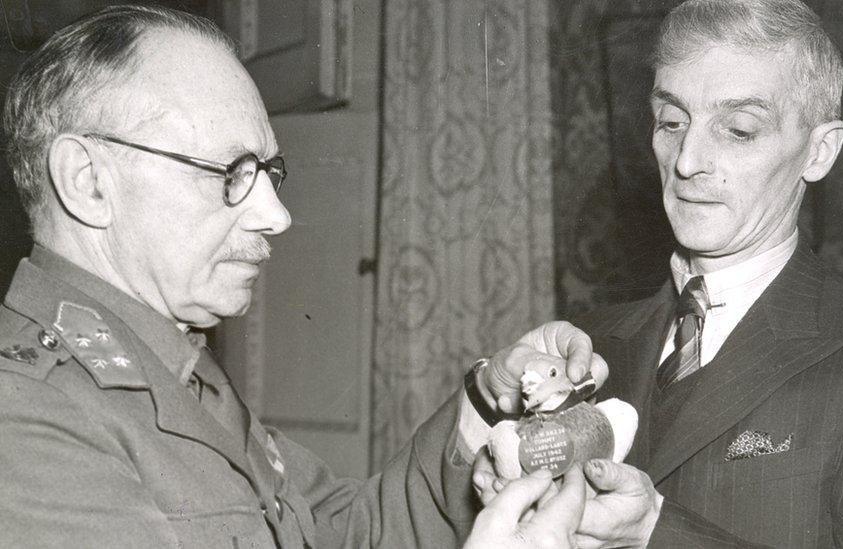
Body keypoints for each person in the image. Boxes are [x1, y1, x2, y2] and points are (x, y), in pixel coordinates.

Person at [0, 5, 603, 547]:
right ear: (88, 181)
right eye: (231, 170)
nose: (277, 216)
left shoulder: (172, 364)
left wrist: (491, 400)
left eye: (268, 171)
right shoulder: (24, 420)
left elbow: (348, 532)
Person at [476, 0, 843, 546]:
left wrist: (653, 532)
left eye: (738, 130)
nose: (687, 160)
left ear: (819, 151)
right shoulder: (587, 348)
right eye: (671, 121)